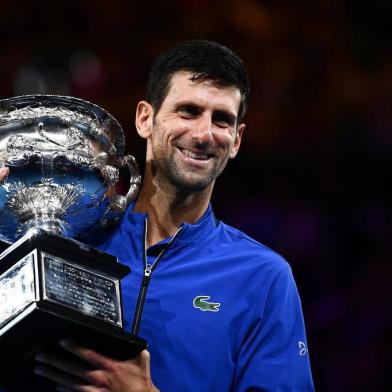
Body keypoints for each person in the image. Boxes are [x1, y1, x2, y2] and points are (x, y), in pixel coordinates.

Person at [2, 40, 314, 391]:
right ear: (145, 119)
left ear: (237, 140)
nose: (203, 134)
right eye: (188, 111)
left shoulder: (263, 278)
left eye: (222, 120)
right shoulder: (65, 237)